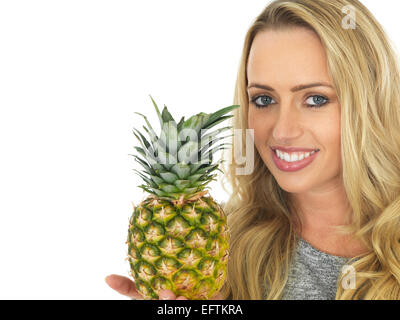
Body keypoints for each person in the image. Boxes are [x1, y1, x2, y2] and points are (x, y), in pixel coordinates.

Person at [106, 0, 400, 300]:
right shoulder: (211, 247)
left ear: (368, 101)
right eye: (263, 100)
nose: (282, 131)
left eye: (315, 99)